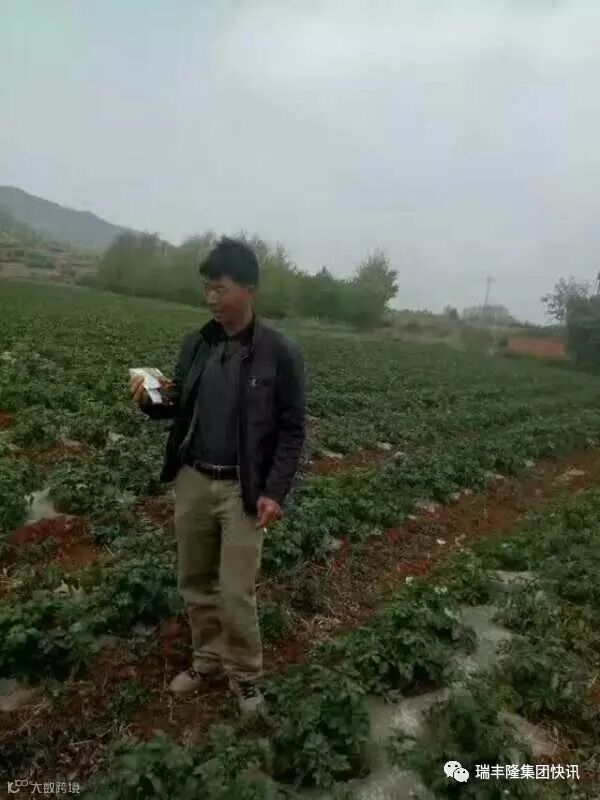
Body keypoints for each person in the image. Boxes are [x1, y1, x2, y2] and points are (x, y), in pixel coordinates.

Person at [129, 237, 305, 716]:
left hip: (243, 489)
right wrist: (151, 400)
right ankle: (206, 659)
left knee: (235, 591)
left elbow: (293, 429)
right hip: (193, 478)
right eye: (206, 288)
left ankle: (245, 676)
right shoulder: (198, 343)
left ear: (249, 290)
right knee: (194, 579)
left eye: (220, 288)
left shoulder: (279, 352)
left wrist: (275, 491)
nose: (211, 298)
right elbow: (179, 404)